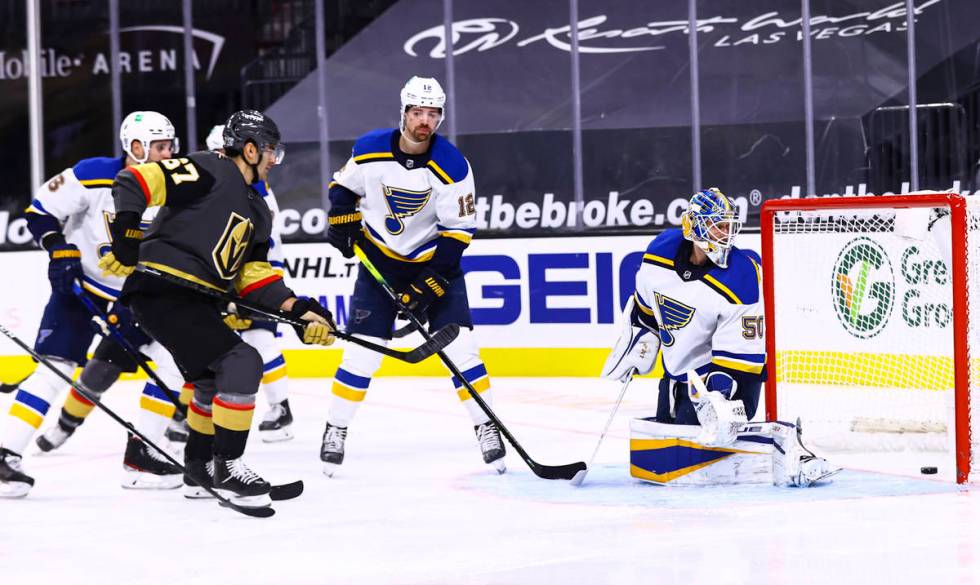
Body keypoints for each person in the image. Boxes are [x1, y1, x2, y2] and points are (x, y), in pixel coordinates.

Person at [99, 109, 335, 507]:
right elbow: (135, 179)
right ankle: (229, 466)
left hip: (195, 299)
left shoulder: (258, 210)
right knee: (242, 361)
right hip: (162, 288)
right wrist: (126, 233)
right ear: (249, 149)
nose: (274, 160)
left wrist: (300, 310)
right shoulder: (212, 167)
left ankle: (199, 469)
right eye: (270, 151)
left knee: (209, 380)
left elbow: (253, 276)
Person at [320, 76, 505, 477]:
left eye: (433, 113)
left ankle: (485, 426)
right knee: (362, 352)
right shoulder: (369, 148)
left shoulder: (453, 166)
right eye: (418, 112)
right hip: (379, 264)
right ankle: (336, 428)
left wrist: (432, 281)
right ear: (403, 112)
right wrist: (341, 217)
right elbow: (342, 187)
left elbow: (458, 233)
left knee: (463, 350)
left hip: (434, 263)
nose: (425, 121)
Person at [0, 111, 186, 497]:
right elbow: (40, 211)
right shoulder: (94, 174)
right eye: (160, 146)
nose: (169, 153)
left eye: (171, 145)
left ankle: (143, 457)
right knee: (55, 370)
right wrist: (58, 247)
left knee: (173, 361)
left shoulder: (180, 184)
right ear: (135, 148)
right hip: (81, 288)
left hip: (138, 297)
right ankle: (6, 455)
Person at [601, 188, 834, 487]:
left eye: (729, 225)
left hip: (730, 381)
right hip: (675, 378)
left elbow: (740, 358)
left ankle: (789, 448)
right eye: (718, 225)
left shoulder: (742, 275)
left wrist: (718, 400)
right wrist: (642, 341)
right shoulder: (659, 252)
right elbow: (646, 310)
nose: (727, 233)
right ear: (694, 226)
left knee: (695, 459)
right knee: (665, 464)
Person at [204, 124, 294, 442]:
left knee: (259, 337)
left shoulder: (253, 192)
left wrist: (234, 293)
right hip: (251, 276)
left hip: (257, 277)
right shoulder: (246, 187)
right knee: (252, 340)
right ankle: (281, 410)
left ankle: (281, 409)